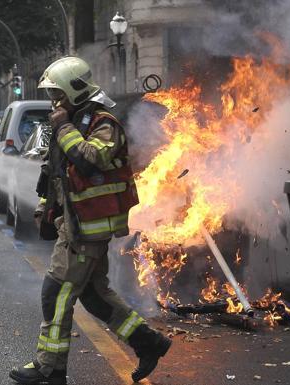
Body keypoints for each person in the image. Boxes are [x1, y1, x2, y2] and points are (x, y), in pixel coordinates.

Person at [9, 57, 171, 385]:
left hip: (87, 229)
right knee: (95, 297)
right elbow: (56, 173)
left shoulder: (102, 123)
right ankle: (149, 343)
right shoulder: (70, 120)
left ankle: (49, 367)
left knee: (56, 292)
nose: (55, 101)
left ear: (74, 89)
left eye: (58, 93)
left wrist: (63, 128)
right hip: (76, 224)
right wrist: (45, 205)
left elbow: (89, 159)